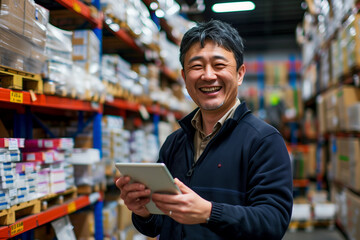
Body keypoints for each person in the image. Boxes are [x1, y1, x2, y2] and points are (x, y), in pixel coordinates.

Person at [116, 19, 293, 240]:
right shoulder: (174, 143)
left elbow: (273, 223)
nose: (208, 75)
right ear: (184, 77)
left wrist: (209, 213)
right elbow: (158, 225)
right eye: (197, 66)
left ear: (239, 74)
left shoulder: (264, 141)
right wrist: (142, 211)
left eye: (219, 65)